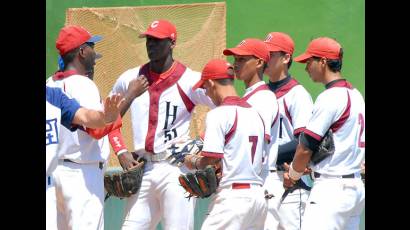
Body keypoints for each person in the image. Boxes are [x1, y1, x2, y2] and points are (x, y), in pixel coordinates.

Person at [108, 19, 215, 230]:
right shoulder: (130, 78)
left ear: (172, 43)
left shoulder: (189, 79)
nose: (151, 45)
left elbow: (225, 109)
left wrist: (201, 142)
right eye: (148, 39)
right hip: (143, 168)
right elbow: (109, 118)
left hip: (176, 168)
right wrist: (120, 151)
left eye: (157, 40)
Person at [46, 25, 125, 230]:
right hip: (82, 176)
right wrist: (129, 97)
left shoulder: (49, 84)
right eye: (90, 45)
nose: (93, 50)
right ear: (81, 52)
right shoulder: (84, 84)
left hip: (53, 176)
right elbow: (96, 129)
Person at [283, 37, 365, 230]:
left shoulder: (330, 97)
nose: (306, 67)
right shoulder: (356, 94)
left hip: (331, 191)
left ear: (323, 62)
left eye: (309, 61)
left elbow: (306, 146)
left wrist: (294, 174)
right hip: (354, 188)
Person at [183, 59, 267, 230]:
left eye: (205, 88)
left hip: (233, 199)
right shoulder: (255, 113)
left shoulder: (218, 114)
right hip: (258, 199)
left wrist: (193, 161)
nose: (206, 93)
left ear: (211, 83)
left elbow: (211, 159)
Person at [262, 32, 314, 229]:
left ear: (286, 58)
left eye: (271, 53)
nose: (265, 58)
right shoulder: (261, 93)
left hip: (290, 183)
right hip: (266, 179)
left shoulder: (297, 94)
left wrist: (266, 156)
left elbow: (304, 140)